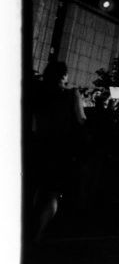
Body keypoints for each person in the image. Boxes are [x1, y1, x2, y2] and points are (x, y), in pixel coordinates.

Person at [29, 61, 86, 244]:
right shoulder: (71, 94)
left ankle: (27, 226)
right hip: (61, 148)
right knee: (52, 193)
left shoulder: (37, 91)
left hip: (38, 144)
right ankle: (37, 233)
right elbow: (81, 121)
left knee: (37, 189)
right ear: (64, 76)